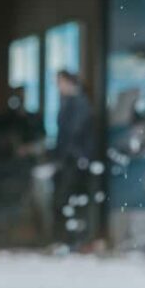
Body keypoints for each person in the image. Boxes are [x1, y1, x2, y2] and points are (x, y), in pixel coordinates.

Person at [53, 70, 94, 244]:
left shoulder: (78, 103)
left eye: (60, 82)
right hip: (70, 159)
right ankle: (71, 238)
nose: (58, 87)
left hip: (75, 159)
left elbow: (74, 132)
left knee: (73, 199)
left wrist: (72, 155)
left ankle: (77, 239)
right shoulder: (69, 103)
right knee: (67, 200)